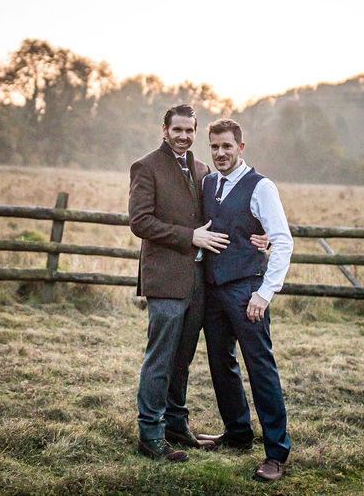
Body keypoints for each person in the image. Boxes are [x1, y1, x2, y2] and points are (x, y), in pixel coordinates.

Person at [127, 104, 230, 462]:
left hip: (197, 283)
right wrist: (190, 237)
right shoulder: (146, 167)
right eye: (178, 130)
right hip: (165, 280)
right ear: (165, 129)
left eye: (190, 130)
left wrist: (260, 236)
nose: (184, 136)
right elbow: (140, 222)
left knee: (182, 359)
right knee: (160, 359)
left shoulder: (202, 170)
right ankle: (150, 434)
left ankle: (175, 424)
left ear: (196, 131)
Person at [197, 118, 294, 482]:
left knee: (260, 368)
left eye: (227, 146)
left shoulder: (261, 187)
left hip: (247, 290)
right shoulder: (208, 183)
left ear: (240, 147)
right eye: (214, 147)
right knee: (221, 363)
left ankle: (276, 453)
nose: (220, 153)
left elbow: (282, 241)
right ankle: (237, 433)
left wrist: (264, 293)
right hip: (213, 289)